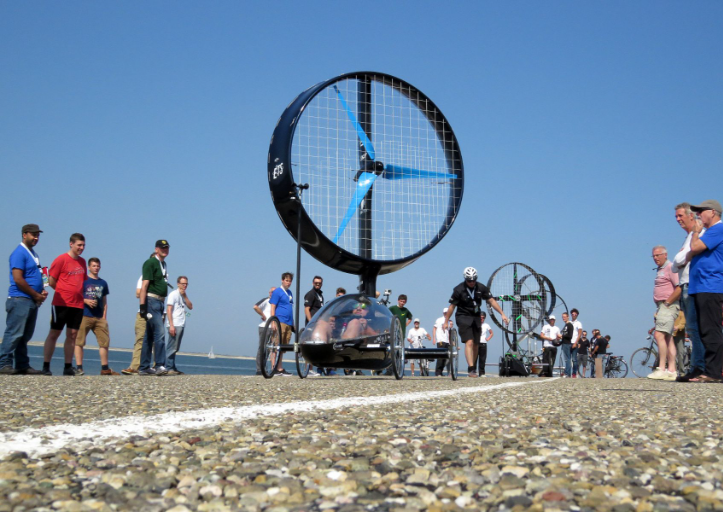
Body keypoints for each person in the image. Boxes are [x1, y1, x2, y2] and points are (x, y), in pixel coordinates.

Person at [443, 267, 509, 378]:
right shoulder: (458, 289)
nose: (472, 282)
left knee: (476, 343)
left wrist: (502, 314)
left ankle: (473, 366)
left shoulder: (481, 287)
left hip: (476, 316)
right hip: (463, 316)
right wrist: (446, 321)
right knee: (469, 341)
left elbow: (491, 300)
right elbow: (452, 306)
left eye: (474, 280)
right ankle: (471, 369)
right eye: (469, 280)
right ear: (465, 279)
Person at [0, 224, 48, 375]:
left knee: (25, 335)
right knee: (14, 333)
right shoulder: (19, 253)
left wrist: (40, 292)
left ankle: (22, 364)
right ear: (24, 234)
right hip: (19, 299)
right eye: (33, 235)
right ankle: (3, 363)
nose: (36, 238)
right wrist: (35, 294)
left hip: (31, 300)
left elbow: (36, 276)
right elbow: (18, 279)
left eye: (38, 235)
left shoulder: (33, 254)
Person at [687, 199, 723, 383]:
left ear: (713, 212)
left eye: (701, 211)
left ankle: (714, 373)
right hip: (701, 286)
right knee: (703, 330)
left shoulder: (718, 229)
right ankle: (708, 370)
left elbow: (694, 248)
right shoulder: (709, 232)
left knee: (711, 329)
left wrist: (695, 233)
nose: (698, 215)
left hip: (711, 286)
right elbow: (689, 254)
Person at [42, 233, 88, 376]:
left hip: (77, 304)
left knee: (72, 334)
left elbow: (82, 281)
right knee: (54, 333)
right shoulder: (61, 259)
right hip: (61, 303)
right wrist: (63, 291)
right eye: (79, 245)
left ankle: (68, 366)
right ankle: (46, 366)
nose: (81, 248)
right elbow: (51, 280)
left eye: (83, 245)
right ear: (71, 244)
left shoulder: (83, 262)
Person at [671, 202, 706, 381]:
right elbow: (676, 264)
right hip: (685, 284)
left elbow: (681, 259)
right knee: (692, 329)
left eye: (680, 215)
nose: (678, 219)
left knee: (695, 328)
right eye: (676, 216)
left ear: (691, 215)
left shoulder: (699, 234)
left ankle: (699, 367)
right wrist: (683, 259)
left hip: (692, 284)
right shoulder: (689, 237)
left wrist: (682, 259)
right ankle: (697, 366)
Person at [74, 257, 118, 375]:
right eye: (94, 266)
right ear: (89, 267)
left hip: (99, 317)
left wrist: (104, 316)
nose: (96, 268)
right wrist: (86, 301)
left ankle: (105, 368)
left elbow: (104, 301)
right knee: (79, 341)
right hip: (84, 315)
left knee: (104, 342)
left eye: (98, 266)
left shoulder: (103, 283)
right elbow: (76, 296)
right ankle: (79, 367)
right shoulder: (83, 280)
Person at [138, 240, 171, 376]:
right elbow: (144, 285)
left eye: (166, 248)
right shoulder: (150, 262)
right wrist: (142, 306)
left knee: (149, 335)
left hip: (160, 302)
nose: (165, 250)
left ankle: (144, 367)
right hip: (152, 300)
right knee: (160, 332)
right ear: (156, 249)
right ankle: (159, 365)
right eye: (162, 248)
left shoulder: (163, 264)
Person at [648, 245, 680, 381]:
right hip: (662, 306)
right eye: (654, 256)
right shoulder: (660, 269)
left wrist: (667, 303)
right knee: (668, 337)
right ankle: (672, 370)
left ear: (665, 255)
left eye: (658, 255)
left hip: (668, 305)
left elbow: (679, 287)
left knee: (659, 334)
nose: (655, 258)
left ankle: (661, 368)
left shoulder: (670, 267)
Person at [121, 273, 149, 375]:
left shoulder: (163, 277)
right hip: (143, 312)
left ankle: (156, 367)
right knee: (140, 339)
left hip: (158, 312)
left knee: (157, 341)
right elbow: (137, 293)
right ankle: (134, 367)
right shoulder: (144, 276)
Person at [166, 276, 193, 375]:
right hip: (175, 323)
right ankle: (168, 367)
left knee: (176, 347)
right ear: (178, 284)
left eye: (186, 284)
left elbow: (190, 307)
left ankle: (172, 366)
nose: (184, 286)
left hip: (181, 323)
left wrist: (185, 296)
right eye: (183, 284)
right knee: (172, 346)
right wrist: (171, 325)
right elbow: (169, 309)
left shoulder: (183, 295)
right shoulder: (173, 294)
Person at [269, 272, 294, 376]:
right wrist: (273, 321)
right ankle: (273, 367)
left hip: (288, 322)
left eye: (290, 281)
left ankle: (279, 367)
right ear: (282, 280)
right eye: (287, 280)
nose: (288, 283)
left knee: (283, 346)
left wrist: (292, 323)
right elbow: (273, 306)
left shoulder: (290, 293)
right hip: (280, 320)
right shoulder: (277, 292)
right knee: (276, 344)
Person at [304, 276, 325, 377]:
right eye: (316, 283)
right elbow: (306, 309)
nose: (317, 284)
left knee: (316, 346)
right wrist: (311, 322)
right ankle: (308, 369)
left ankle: (312, 368)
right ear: (313, 283)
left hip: (319, 325)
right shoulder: (310, 294)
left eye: (319, 283)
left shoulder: (320, 295)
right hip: (312, 324)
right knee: (310, 346)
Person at [253, 287, 276, 376]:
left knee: (269, 349)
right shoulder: (266, 300)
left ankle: (264, 367)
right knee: (262, 347)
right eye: (272, 292)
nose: (273, 294)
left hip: (273, 327)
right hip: (264, 326)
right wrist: (263, 315)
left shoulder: (276, 303)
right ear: (269, 293)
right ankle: (259, 369)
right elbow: (255, 307)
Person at [434, 308, 450, 376]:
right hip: (440, 340)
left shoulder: (449, 321)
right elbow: (434, 328)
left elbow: (449, 332)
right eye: (445, 313)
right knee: (440, 356)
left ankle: (441, 371)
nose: (446, 314)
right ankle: (438, 372)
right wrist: (434, 338)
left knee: (445, 357)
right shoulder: (439, 320)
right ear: (443, 313)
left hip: (447, 341)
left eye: (447, 313)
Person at [478, 312, 493, 377]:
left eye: (483, 318)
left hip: (483, 343)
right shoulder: (475, 324)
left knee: (482, 359)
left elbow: (491, 333)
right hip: (476, 343)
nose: (482, 319)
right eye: (480, 317)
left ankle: (482, 373)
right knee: (474, 358)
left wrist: (487, 339)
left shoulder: (486, 325)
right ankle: (472, 371)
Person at [559, 312, 574, 377]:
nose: (563, 318)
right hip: (564, 343)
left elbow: (570, 336)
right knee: (566, 359)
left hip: (567, 344)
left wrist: (562, 336)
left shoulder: (570, 325)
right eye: (563, 317)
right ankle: (567, 372)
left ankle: (567, 373)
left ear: (568, 317)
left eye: (565, 317)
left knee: (567, 359)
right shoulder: (566, 325)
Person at [570, 308, 582, 378]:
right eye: (572, 314)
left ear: (577, 315)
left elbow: (579, 334)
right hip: (568, 342)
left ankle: (574, 373)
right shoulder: (569, 322)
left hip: (574, 342)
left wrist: (576, 343)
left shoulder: (578, 323)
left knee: (574, 359)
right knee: (568, 359)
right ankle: (567, 372)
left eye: (575, 314)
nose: (574, 315)